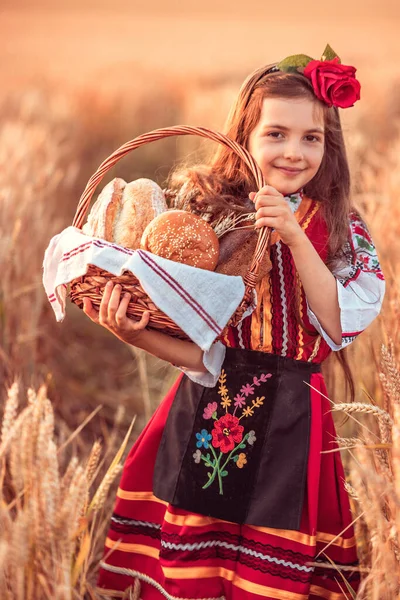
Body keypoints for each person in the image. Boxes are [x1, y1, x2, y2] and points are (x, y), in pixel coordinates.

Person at [84, 48, 385, 600]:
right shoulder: (210, 217)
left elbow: (340, 323)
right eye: (276, 134)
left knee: (273, 581)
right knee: (196, 573)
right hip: (209, 413)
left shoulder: (339, 226)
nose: (293, 152)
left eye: (311, 138)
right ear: (244, 136)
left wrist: (295, 236)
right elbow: (208, 358)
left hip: (296, 426)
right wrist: (135, 333)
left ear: (328, 145)